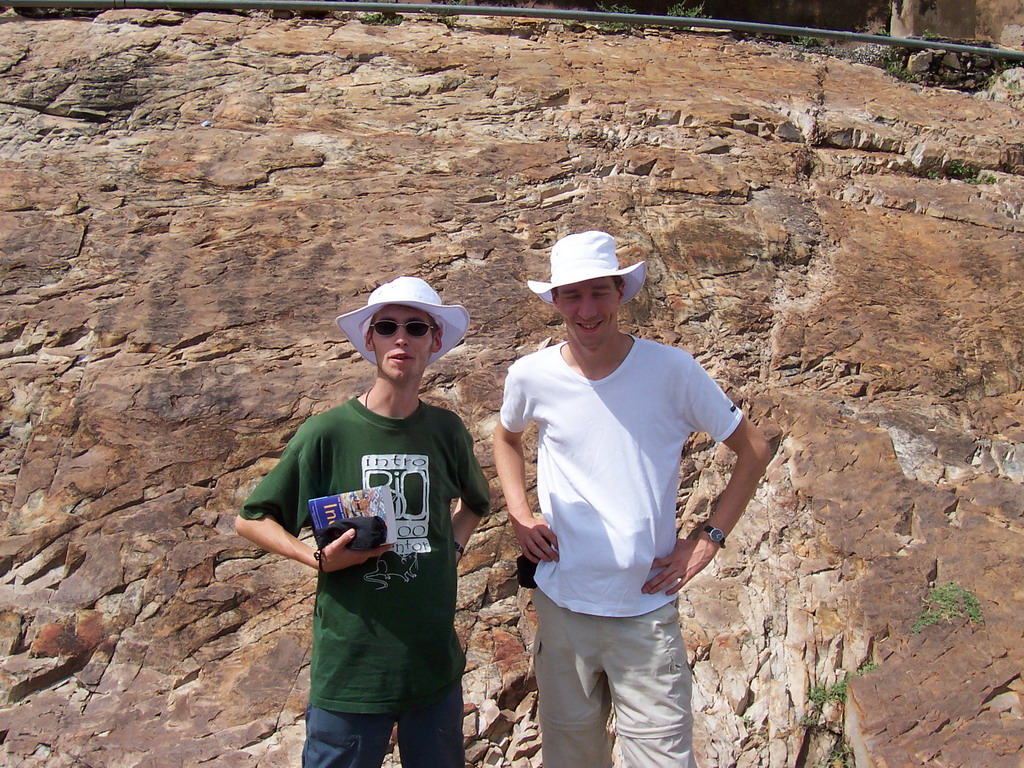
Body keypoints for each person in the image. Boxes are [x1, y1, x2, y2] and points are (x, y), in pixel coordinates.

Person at [493, 231, 772, 768]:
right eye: (572, 295)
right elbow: (507, 438)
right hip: (562, 608)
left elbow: (754, 450)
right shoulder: (533, 375)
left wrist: (708, 539)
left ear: (621, 292)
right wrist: (520, 514)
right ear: (554, 301)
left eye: (599, 292)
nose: (587, 309)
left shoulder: (672, 370)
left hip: (644, 612)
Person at [236, 276, 491, 768]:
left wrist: (450, 550)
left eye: (416, 327)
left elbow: (477, 503)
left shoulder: (446, 430)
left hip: (431, 667)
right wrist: (315, 558)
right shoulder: (327, 432)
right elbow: (253, 518)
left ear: (434, 342)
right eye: (388, 326)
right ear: (369, 339)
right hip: (351, 671)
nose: (402, 338)